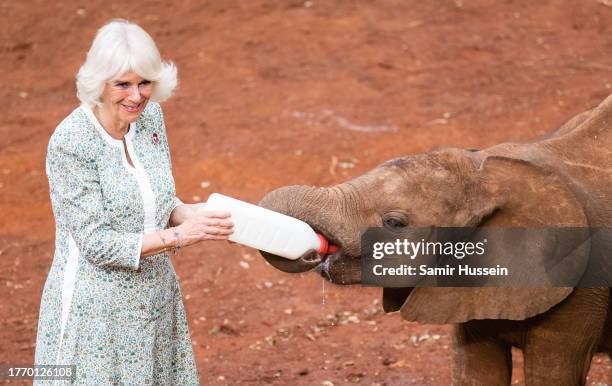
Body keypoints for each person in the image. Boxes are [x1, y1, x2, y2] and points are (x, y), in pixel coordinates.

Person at [34, 19, 233, 384]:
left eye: (144, 82)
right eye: (122, 84)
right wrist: (181, 236)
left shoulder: (149, 117)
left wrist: (190, 212)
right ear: (99, 83)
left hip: (154, 298)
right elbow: (98, 245)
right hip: (97, 314)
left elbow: (155, 195)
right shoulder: (71, 144)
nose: (136, 96)